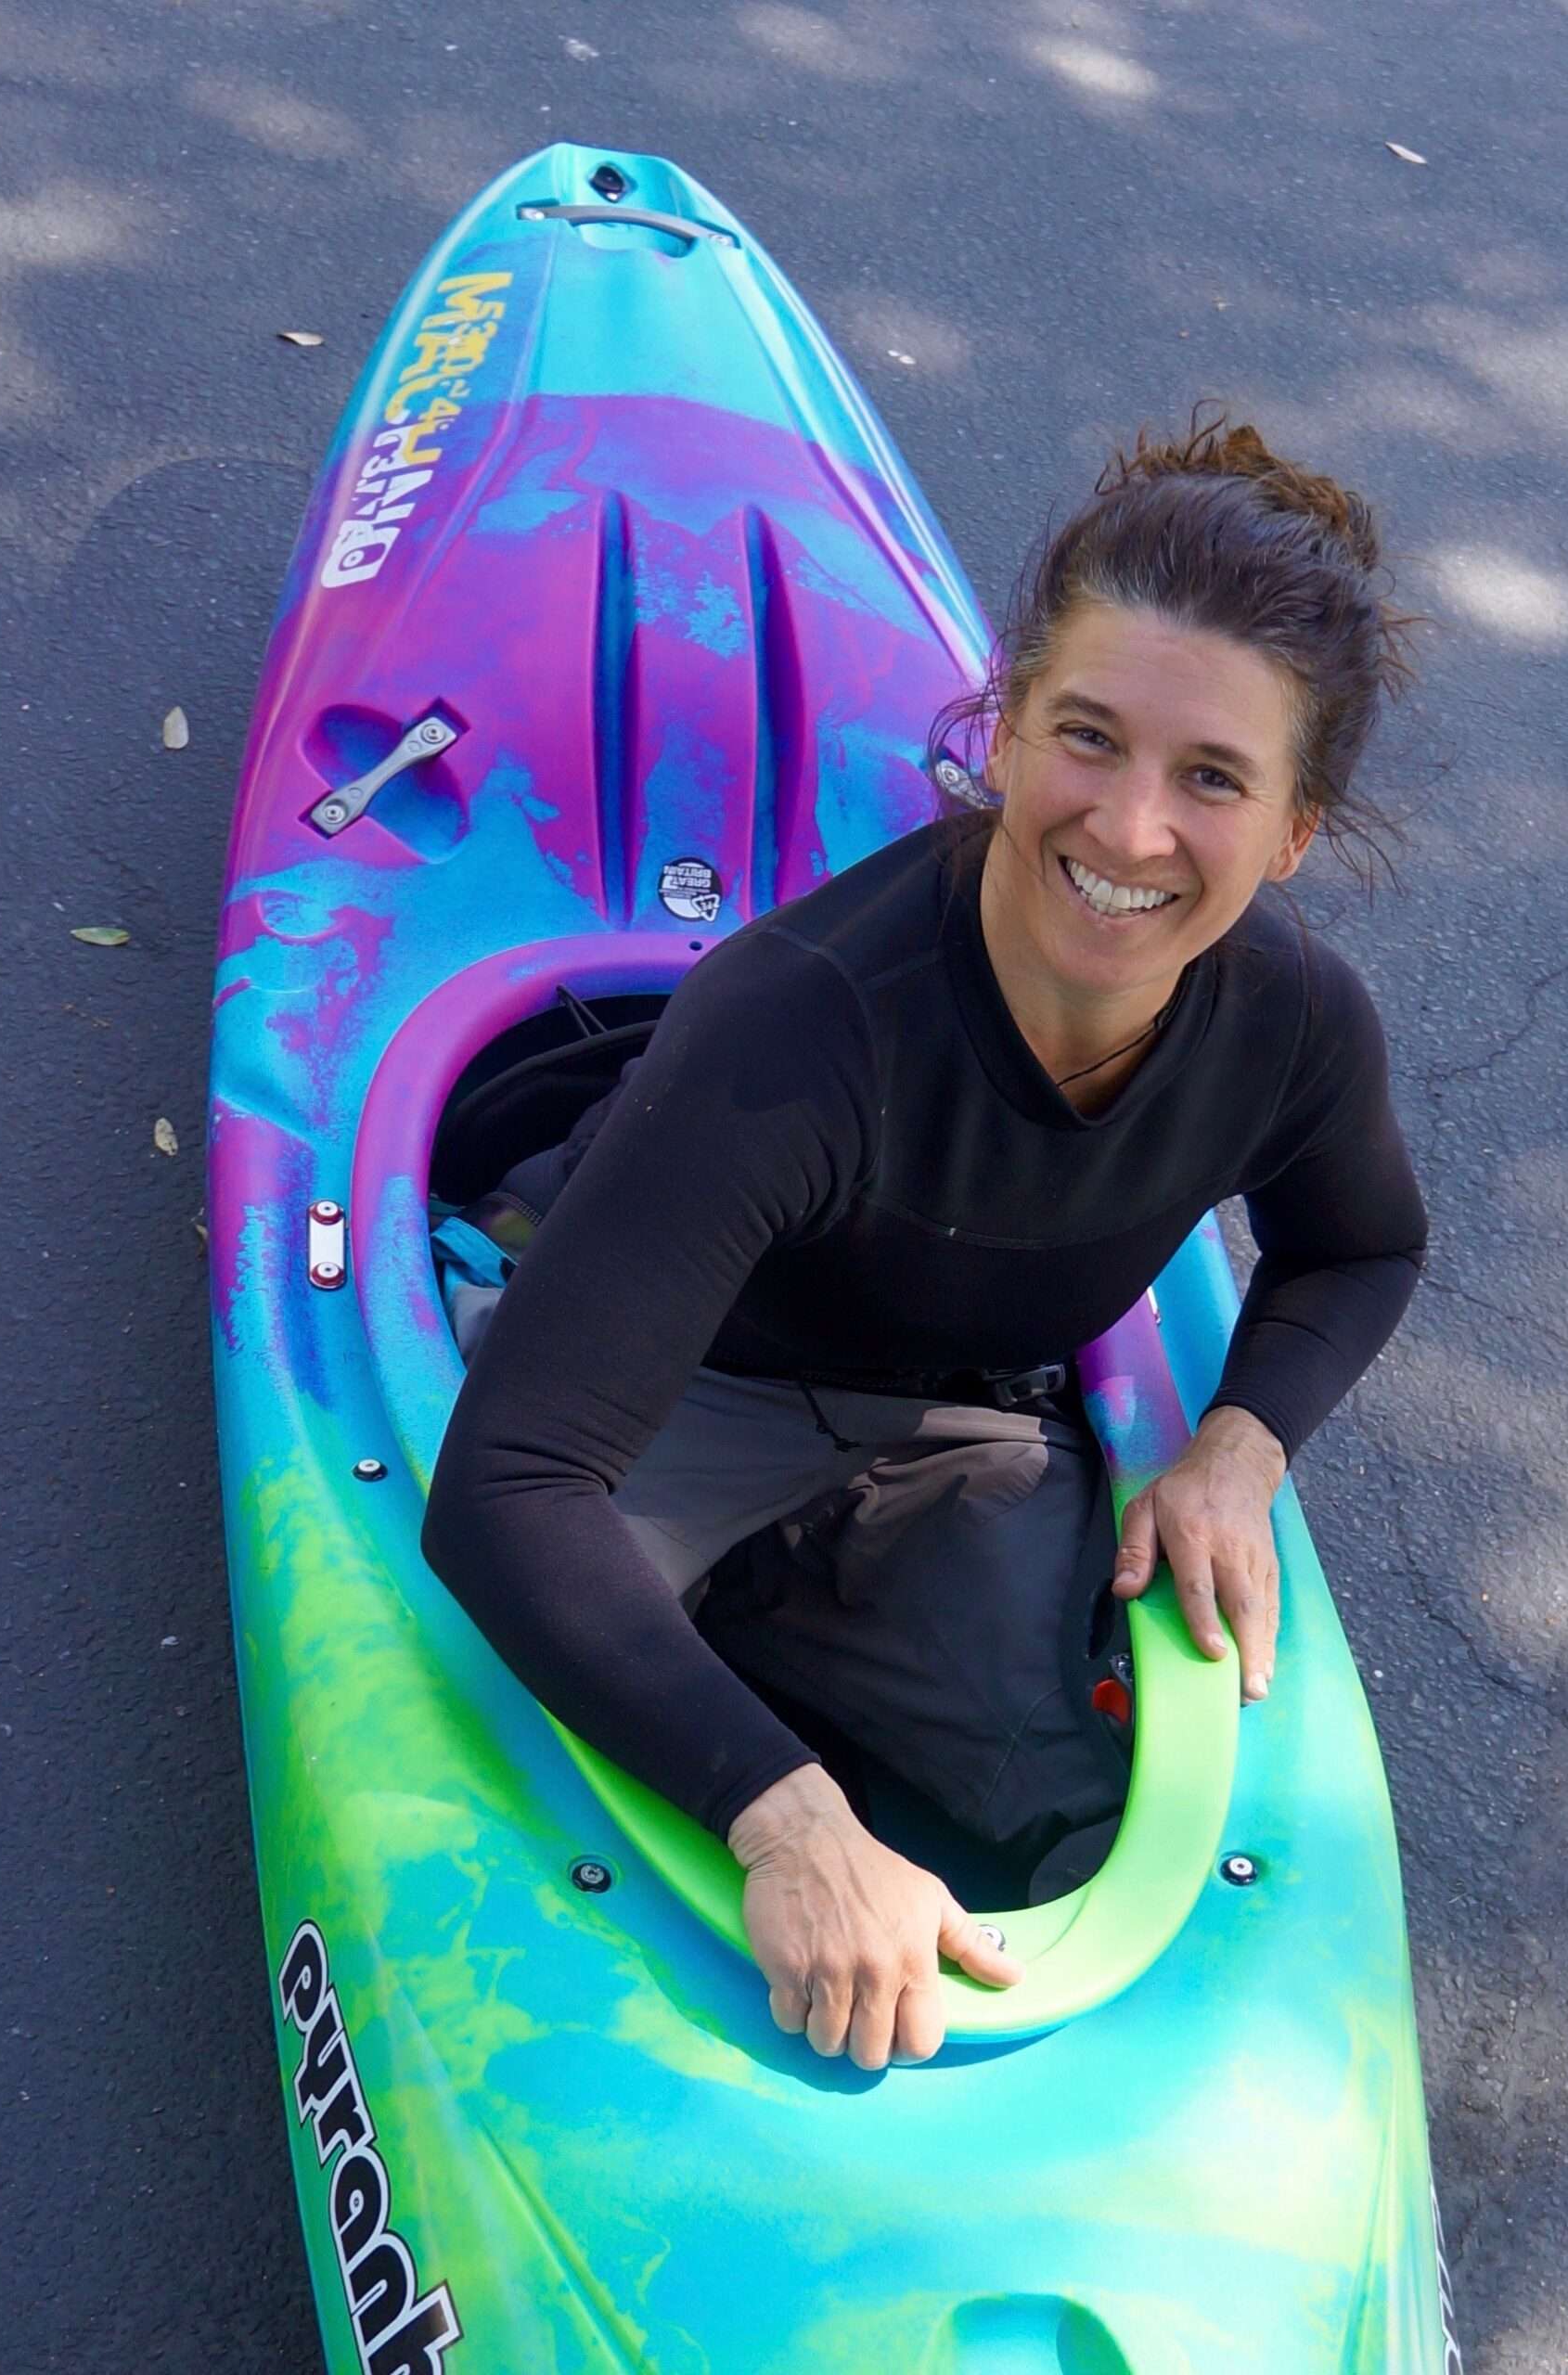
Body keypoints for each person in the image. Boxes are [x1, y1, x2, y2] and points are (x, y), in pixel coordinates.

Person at [419, 408, 1430, 2074]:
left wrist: (1240, 1446)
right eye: (1088, 738)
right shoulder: (798, 1029)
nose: (1128, 829)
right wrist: (786, 1822)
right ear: (1006, 724)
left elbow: (1361, 1251)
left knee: (1071, 1799)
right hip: (664, 1398)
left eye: (1213, 779)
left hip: (946, 1432)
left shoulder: (1295, 1025)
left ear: (1295, 831)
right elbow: (512, 1490)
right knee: (541, 1709)